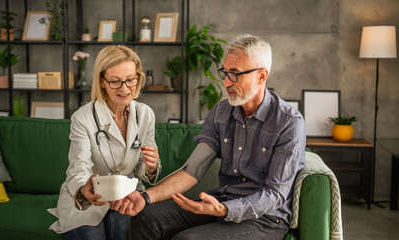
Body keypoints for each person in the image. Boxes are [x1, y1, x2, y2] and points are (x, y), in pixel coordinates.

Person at [113, 34, 306, 240]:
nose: (226, 83)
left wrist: (225, 209)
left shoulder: (289, 122)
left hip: (264, 218)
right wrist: (145, 196)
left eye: (235, 74)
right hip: (221, 202)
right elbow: (192, 170)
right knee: (146, 217)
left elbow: (275, 194)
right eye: (225, 72)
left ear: (261, 76)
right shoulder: (221, 112)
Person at [48, 45, 162, 240]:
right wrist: (84, 189)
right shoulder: (82, 118)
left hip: (126, 197)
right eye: (115, 82)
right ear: (102, 82)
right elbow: (78, 167)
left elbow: (145, 167)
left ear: (138, 78)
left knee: (125, 232)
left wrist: (151, 166)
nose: (125, 88)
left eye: (130, 80)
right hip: (90, 198)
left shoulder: (145, 114)